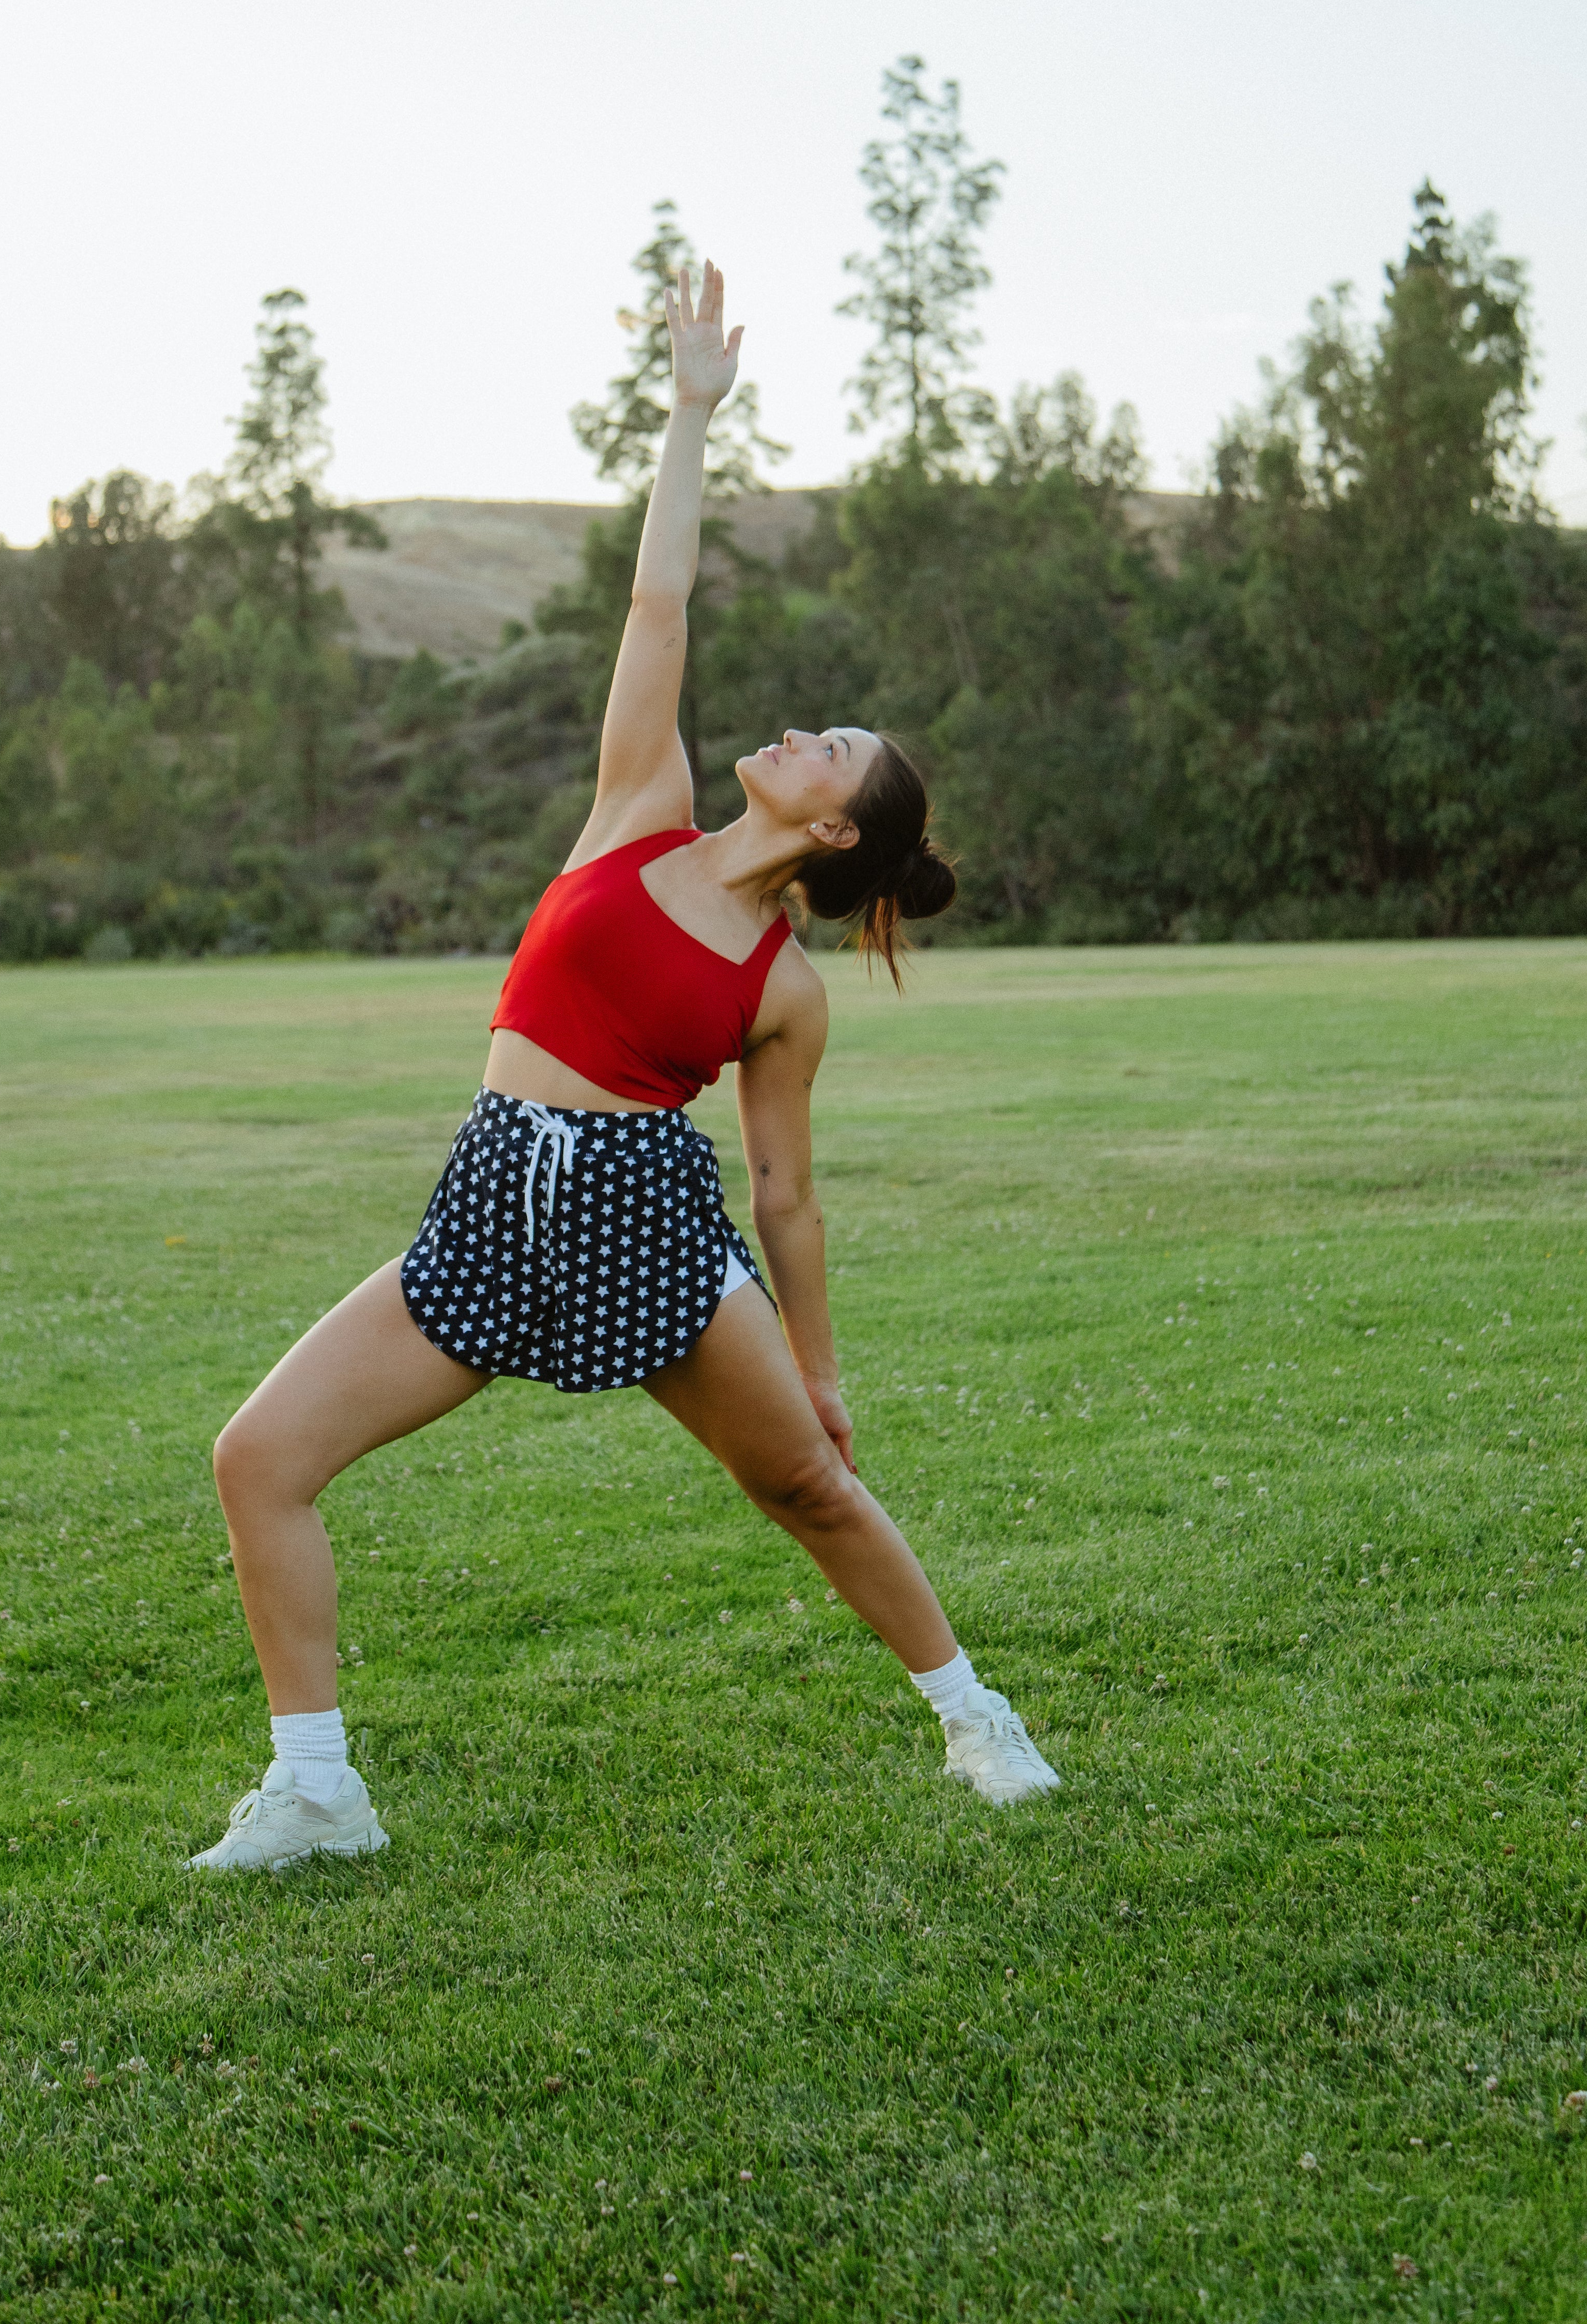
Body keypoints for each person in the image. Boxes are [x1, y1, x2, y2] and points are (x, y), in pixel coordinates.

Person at [189, 260, 1059, 1872]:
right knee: (260, 1456)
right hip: (490, 1186)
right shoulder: (637, 802)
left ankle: (977, 1720)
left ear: (837, 826)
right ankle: (316, 1786)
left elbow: (783, 1188)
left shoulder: (782, 986)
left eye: (830, 748)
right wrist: (688, 415)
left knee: (800, 1483)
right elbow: (657, 605)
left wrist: (819, 1360)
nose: (798, 732)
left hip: (642, 1214)